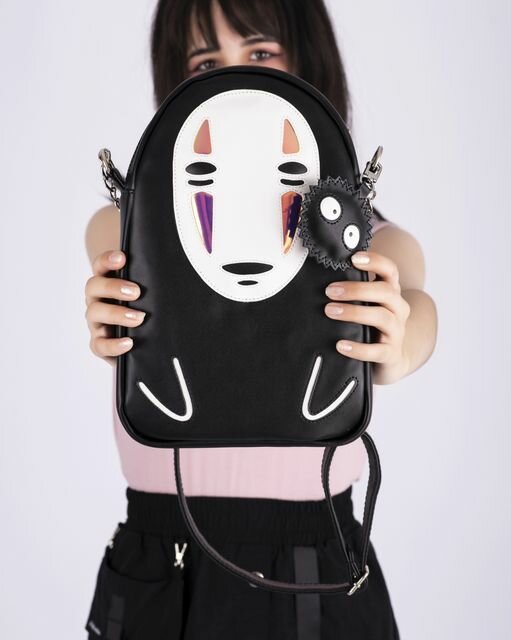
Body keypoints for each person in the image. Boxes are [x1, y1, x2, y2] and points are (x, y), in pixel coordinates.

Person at [83, 1, 437, 638]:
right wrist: (111, 313)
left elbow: (414, 300)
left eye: (261, 52)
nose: (234, 77)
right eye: (205, 62)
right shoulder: (127, 228)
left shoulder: (374, 240)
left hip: (310, 567)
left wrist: (396, 344)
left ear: (310, 61)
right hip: (161, 560)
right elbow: (109, 246)